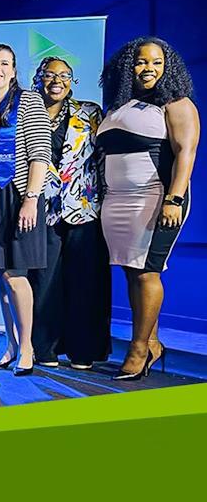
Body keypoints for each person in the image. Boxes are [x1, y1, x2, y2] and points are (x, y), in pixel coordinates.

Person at [98, 38, 199, 379]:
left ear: (167, 66)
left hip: (156, 198)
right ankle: (151, 342)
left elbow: (186, 153)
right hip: (118, 200)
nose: (149, 69)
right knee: (131, 270)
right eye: (142, 62)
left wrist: (174, 198)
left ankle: (138, 348)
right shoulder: (120, 104)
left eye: (157, 63)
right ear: (130, 65)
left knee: (148, 271)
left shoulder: (176, 103)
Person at [30, 57, 111, 369]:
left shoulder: (89, 111)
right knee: (44, 280)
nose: (57, 81)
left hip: (85, 208)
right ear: (39, 77)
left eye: (64, 75)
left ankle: (82, 350)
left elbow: (103, 159)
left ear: (72, 81)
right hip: (42, 209)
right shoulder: (28, 110)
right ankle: (45, 348)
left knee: (85, 281)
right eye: (50, 74)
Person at [0, 44, 50, 376]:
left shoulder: (30, 101)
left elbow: (40, 153)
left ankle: (28, 348)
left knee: (15, 274)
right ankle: (10, 344)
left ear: (14, 70)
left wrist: (31, 198)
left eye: (5, 63)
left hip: (19, 193)